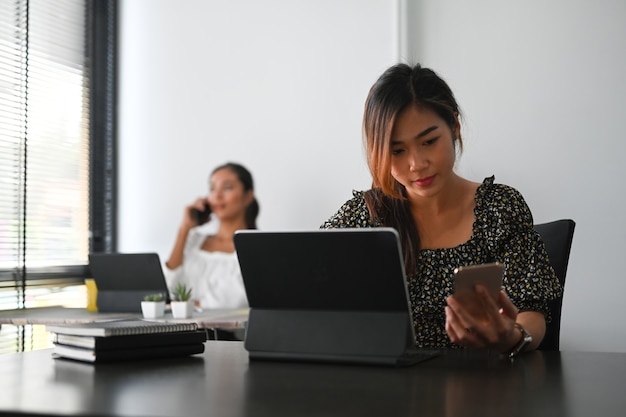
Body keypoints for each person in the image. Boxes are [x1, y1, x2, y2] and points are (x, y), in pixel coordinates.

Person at [321, 63, 562, 357]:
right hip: (386, 391)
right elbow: (309, 285)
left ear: (454, 127)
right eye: (398, 151)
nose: (417, 164)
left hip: (483, 387)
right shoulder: (365, 216)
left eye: (429, 141)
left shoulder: (498, 207)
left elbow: (532, 312)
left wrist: (512, 337)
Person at [164, 162, 259, 312]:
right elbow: (167, 288)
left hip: (226, 333)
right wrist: (184, 228)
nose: (217, 196)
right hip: (177, 330)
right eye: (212, 188)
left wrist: (183, 305)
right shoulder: (194, 240)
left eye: (227, 187)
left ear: (248, 196)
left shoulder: (255, 248)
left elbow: (233, 301)